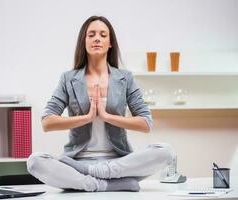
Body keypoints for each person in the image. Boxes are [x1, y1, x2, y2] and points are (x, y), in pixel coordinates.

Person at [27, 15, 175, 192]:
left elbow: (145, 123)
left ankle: (95, 175)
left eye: (103, 35)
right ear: (84, 41)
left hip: (119, 163)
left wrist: (106, 116)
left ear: (110, 43)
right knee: (35, 161)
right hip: (78, 162)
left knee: (166, 152)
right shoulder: (68, 79)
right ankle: (101, 184)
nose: (97, 38)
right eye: (91, 34)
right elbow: (47, 122)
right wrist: (87, 117)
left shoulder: (125, 78)